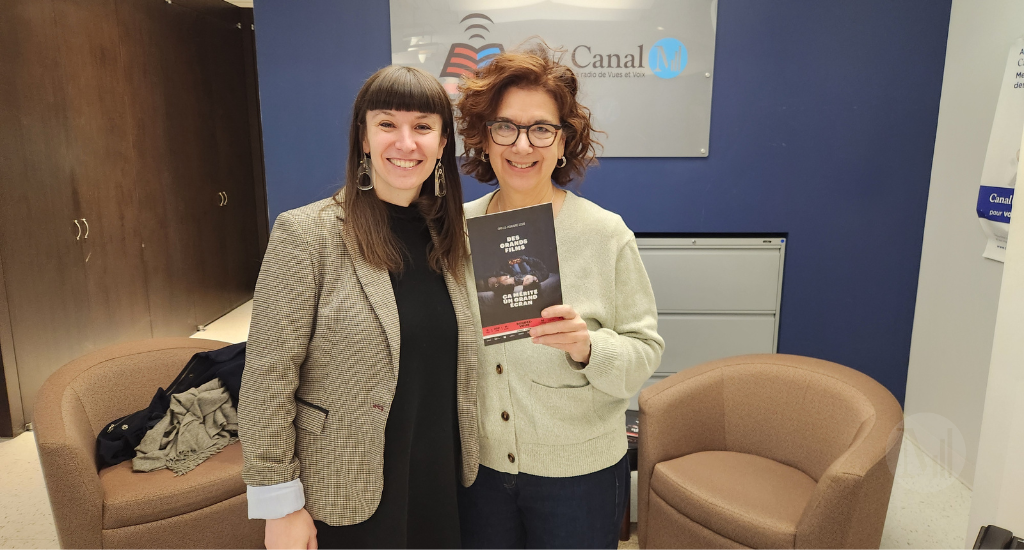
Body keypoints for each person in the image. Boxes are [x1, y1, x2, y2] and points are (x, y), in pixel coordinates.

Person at [237, 65, 479, 550]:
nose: (405, 143)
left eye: (423, 127)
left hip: (439, 477)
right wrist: (280, 504)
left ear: (443, 143)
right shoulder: (307, 234)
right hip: (346, 488)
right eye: (387, 124)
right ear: (364, 139)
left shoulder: (453, 238)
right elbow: (266, 375)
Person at [455, 44, 665, 549]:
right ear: (484, 138)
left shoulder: (604, 233)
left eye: (541, 129)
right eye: (505, 126)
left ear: (564, 141)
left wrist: (589, 347)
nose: (522, 145)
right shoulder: (455, 230)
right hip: (479, 471)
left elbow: (644, 354)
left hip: (579, 474)